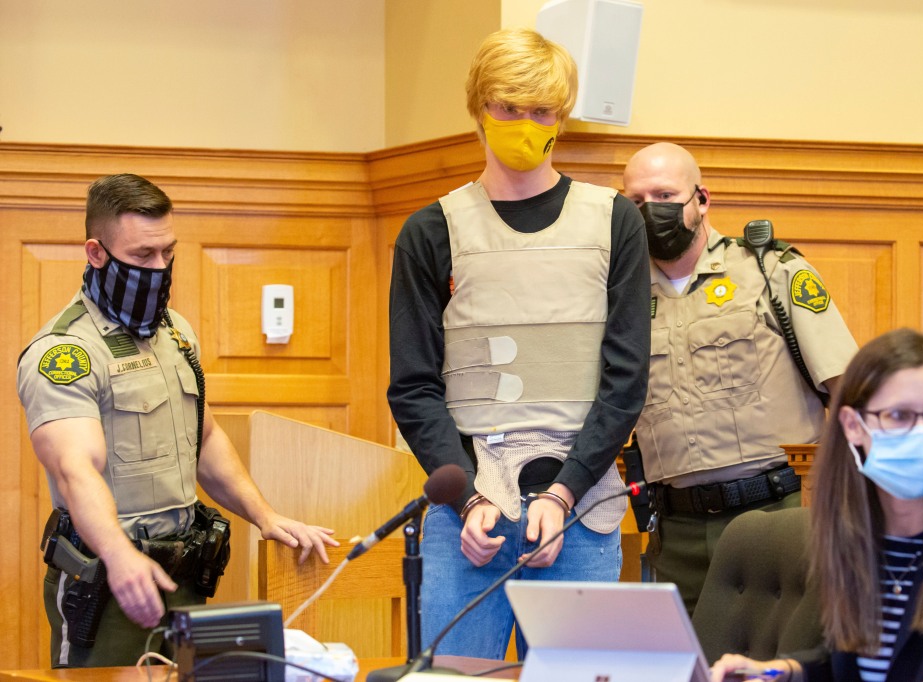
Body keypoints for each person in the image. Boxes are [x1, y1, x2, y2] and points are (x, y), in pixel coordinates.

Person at [387, 27, 650, 660]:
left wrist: (563, 493)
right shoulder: (430, 231)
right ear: (479, 110)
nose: (526, 124)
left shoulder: (615, 222)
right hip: (468, 513)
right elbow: (414, 386)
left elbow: (626, 382)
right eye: (509, 109)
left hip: (582, 508)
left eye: (542, 111)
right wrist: (470, 497)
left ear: (561, 117)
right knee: (454, 676)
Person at [17, 174, 339, 668]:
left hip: (184, 577)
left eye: (169, 253)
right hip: (108, 581)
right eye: (144, 256)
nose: (160, 268)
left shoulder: (177, 333)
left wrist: (264, 515)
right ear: (96, 253)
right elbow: (73, 470)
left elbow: (204, 438)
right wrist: (121, 559)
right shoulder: (66, 353)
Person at [621, 142, 858, 614]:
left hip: (776, 514)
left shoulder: (770, 270)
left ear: (702, 199)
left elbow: (851, 392)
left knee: (782, 662)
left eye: (666, 196)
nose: (652, 211)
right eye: (637, 202)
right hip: (676, 532)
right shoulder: (621, 298)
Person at [711, 328, 923, 682]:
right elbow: (853, 662)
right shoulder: (853, 527)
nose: (920, 433)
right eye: (899, 416)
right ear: (853, 426)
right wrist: (783, 671)